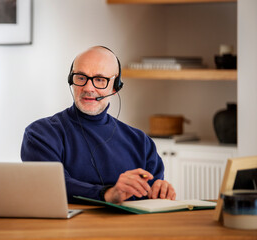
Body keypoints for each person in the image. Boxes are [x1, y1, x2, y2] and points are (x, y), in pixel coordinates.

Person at [21, 46, 176, 204]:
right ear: (71, 81)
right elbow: (52, 184)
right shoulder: (40, 134)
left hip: (128, 228)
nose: (88, 88)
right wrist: (107, 194)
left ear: (115, 87)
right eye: (81, 77)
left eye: (100, 80)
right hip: (68, 227)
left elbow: (151, 197)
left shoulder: (141, 142)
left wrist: (160, 191)